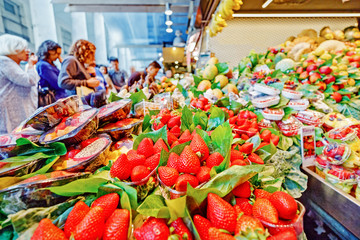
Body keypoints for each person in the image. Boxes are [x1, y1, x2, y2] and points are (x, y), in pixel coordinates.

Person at [0, 34, 38, 134]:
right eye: (24, 48)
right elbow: (29, 80)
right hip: (12, 111)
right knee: (17, 138)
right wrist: (30, 66)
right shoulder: (4, 61)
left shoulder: (11, 63)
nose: (28, 51)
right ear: (13, 49)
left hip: (16, 109)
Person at [36, 40, 67, 104]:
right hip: (56, 99)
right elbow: (58, 84)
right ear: (50, 51)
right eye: (57, 54)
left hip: (60, 97)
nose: (59, 57)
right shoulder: (44, 65)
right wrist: (63, 65)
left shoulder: (50, 64)